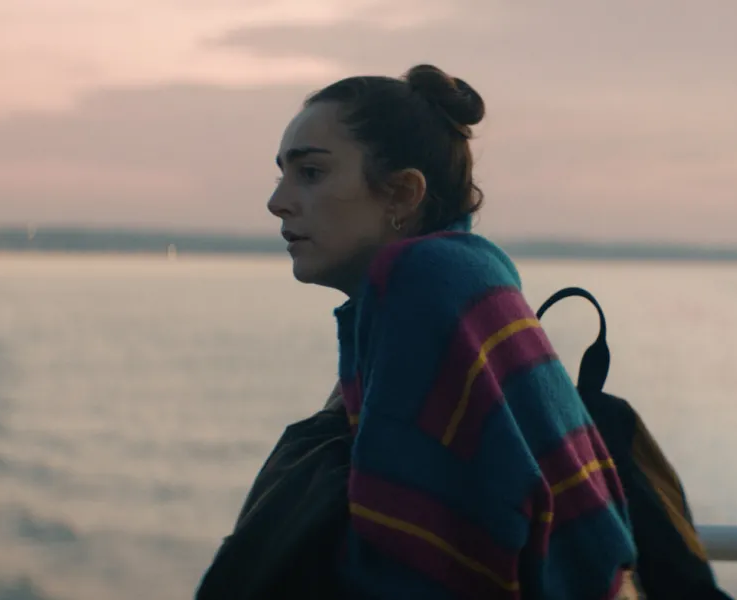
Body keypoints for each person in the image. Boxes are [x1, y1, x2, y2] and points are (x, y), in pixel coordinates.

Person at [264, 64, 638, 599]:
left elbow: (412, 564)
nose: (277, 201)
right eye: (281, 174)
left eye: (311, 174)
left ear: (402, 193)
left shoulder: (418, 282)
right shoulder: (473, 270)